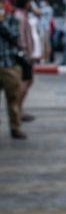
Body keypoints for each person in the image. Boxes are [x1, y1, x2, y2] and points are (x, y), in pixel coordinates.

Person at [0, 8, 26, 139]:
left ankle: (15, 128)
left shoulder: (12, 20)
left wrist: (1, 22)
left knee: (13, 100)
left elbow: (14, 37)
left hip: (8, 65)